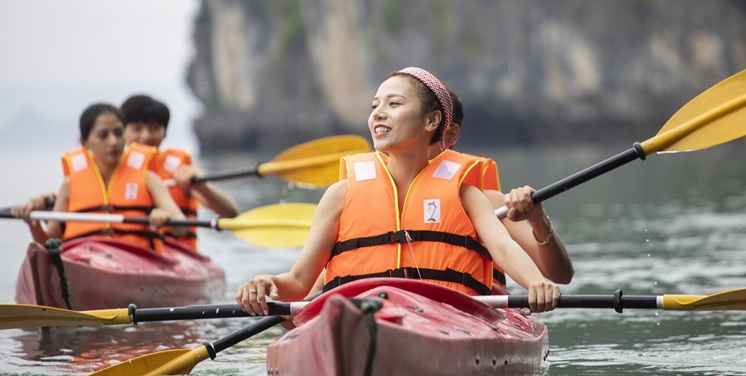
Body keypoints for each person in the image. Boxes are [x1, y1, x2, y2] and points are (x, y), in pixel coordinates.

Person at [236, 67, 561, 315]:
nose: (378, 112)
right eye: (375, 105)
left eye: (394, 104)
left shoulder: (466, 193)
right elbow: (298, 281)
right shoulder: (340, 194)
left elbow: (503, 249)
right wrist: (269, 283)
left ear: (432, 120)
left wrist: (535, 283)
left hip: (446, 317)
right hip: (358, 316)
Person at [437, 91, 574, 286]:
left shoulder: (488, 201)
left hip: (471, 307)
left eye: (396, 104)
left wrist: (538, 219)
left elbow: (561, 275)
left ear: (450, 135)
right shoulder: (381, 197)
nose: (383, 115)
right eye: (376, 107)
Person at [11, 103, 188, 250]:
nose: (113, 141)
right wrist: (32, 222)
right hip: (83, 259)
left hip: (136, 259)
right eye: (103, 135)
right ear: (84, 142)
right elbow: (48, 243)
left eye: (119, 133)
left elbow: (182, 227)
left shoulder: (148, 178)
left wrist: (164, 217)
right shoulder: (69, 185)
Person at [120, 94, 239, 249]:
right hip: (127, 254)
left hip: (179, 256)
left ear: (165, 133)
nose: (145, 136)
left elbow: (231, 215)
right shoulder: (113, 171)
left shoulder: (182, 170)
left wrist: (202, 186)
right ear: (122, 132)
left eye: (154, 129)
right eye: (137, 129)